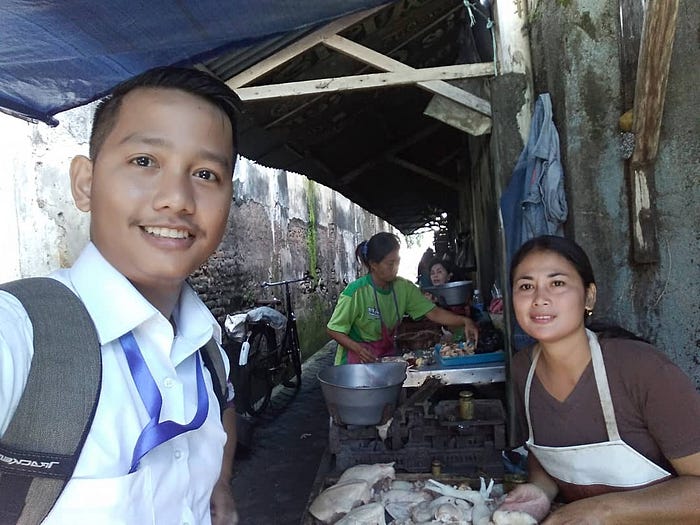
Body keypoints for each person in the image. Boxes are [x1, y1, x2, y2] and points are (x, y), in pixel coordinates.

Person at [0, 67, 242, 524]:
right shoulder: (20, 336)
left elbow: (223, 405)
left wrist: (219, 483)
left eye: (206, 173)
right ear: (85, 183)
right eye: (145, 161)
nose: (177, 199)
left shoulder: (205, 345)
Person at [498, 235, 700, 523]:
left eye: (557, 283)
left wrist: (601, 510)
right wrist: (540, 491)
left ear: (589, 296)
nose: (540, 298)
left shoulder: (642, 369)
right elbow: (551, 455)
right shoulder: (523, 371)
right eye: (526, 286)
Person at [327, 232, 478, 364]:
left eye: (397, 262)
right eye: (390, 263)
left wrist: (465, 321)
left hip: (384, 359)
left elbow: (433, 312)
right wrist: (358, 349)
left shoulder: (403, 287)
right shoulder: (356, 292)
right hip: (354, 364)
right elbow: (334, 329)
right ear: (373, 265)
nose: (395, 267)